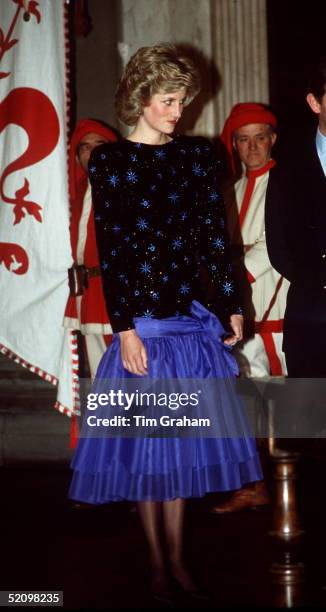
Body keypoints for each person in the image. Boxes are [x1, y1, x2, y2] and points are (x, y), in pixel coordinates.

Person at [68, 44, 262, 603]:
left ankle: (178, 561)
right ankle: (158, 564)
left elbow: (212, 241)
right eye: (169, 100)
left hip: (191, 324)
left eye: (184, 101)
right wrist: (124, 328)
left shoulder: (199, 157)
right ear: (141, 99)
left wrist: (231, 304)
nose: (179, 111)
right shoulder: (111, 162)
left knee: (180, 450)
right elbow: (117, 249)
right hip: (145, 329)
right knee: (150, 452)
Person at [211, 103, 289, 513]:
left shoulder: (288, 183)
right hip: (241, 311)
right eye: (244, 139)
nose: (253, 146)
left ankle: (289, 484)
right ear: (234, 145)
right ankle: (258, 484)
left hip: (277, 304)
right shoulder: (233, 191)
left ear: (273, 139)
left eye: (261, 137)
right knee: (250, 395)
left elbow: (278, 247)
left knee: (286, 394)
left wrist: (236, 277)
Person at [265, 58, 326, 377]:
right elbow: (279, 246)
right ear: (314, 102)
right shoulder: (288, 165)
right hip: (311, 323)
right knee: (310, 424)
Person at [64, 119, 118, 379]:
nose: (93, 152)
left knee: (132, 369)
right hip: (87, 291)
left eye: (100, 145)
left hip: (118, 292)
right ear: (77, 157)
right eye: (85, 147)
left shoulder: (129, 190)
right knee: (100, 372)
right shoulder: (75, 195)